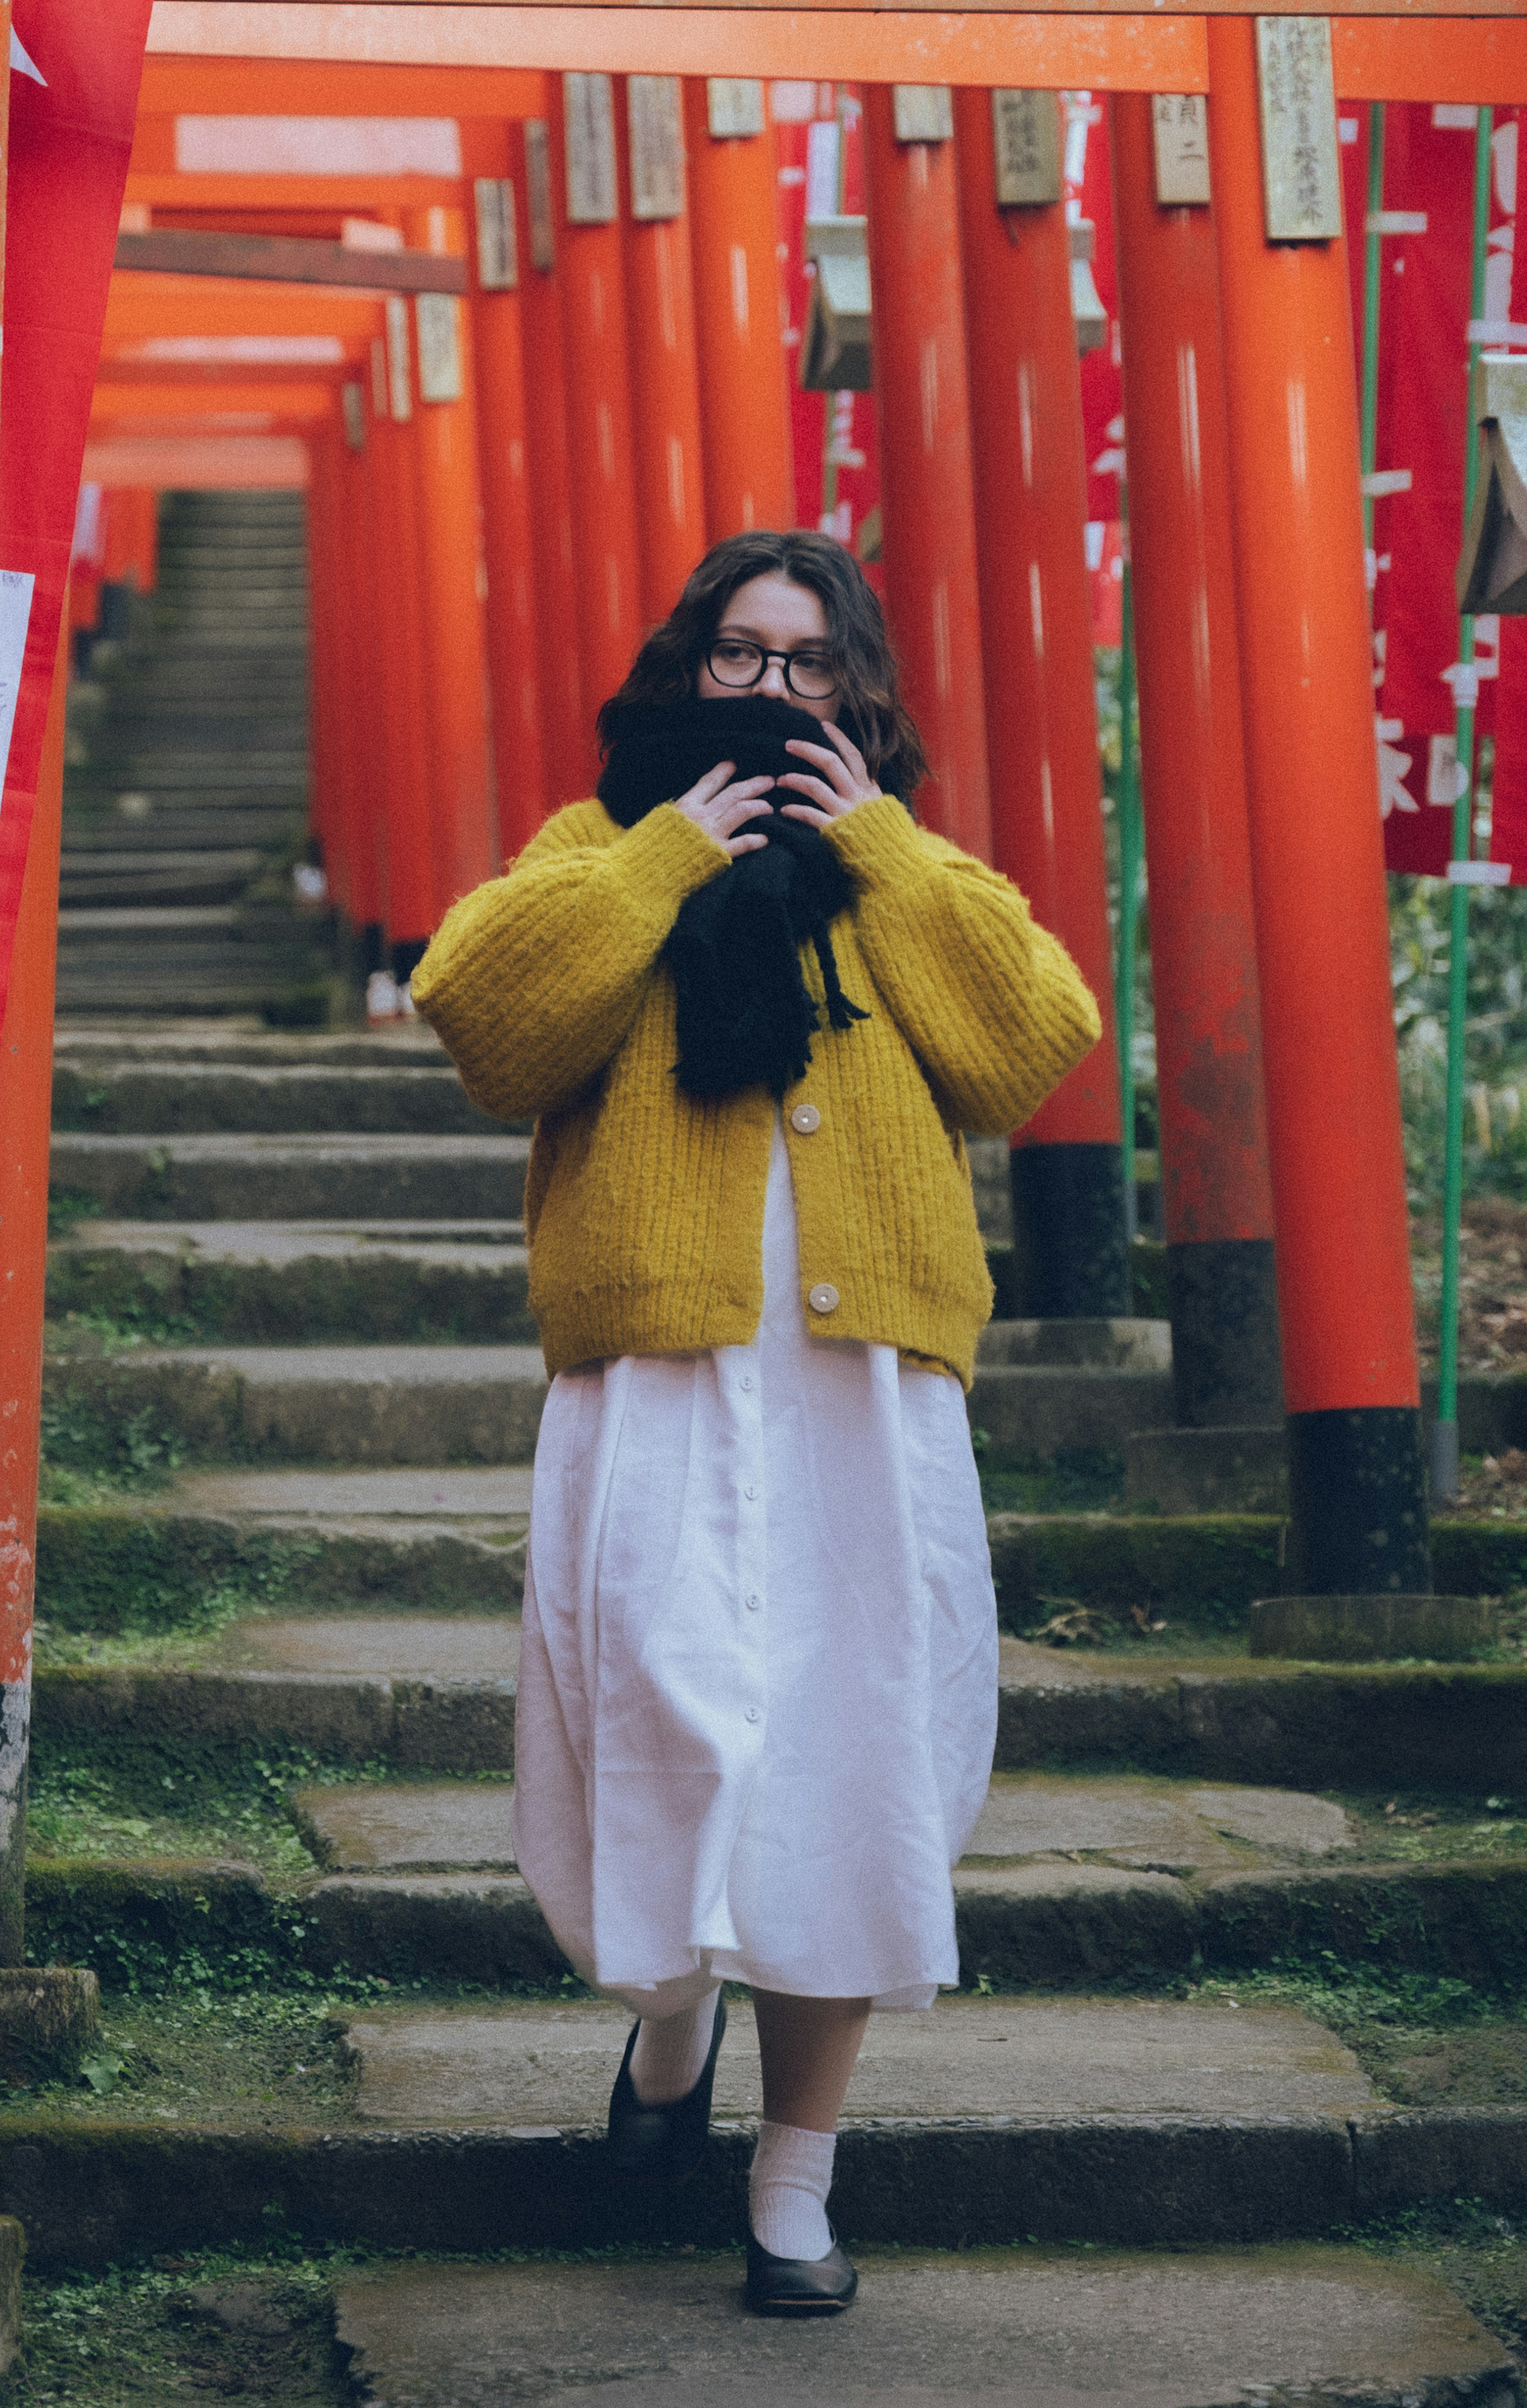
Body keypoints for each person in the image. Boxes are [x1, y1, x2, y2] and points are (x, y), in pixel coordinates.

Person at [411, 531, 1098, 2316]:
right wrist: (662, 857)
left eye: (811, 664)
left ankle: (795, 2183)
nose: (775, 690)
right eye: (741, 655)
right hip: (656, 1368)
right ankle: (668, 2021)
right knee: (648, 1701)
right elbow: (483, 1022)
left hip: (863, 1391)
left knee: (847, 1763)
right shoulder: (598, 849)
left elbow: (1035, 1042)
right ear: (684, 671)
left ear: (861, 695)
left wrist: (875, 843)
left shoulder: (903, 868)